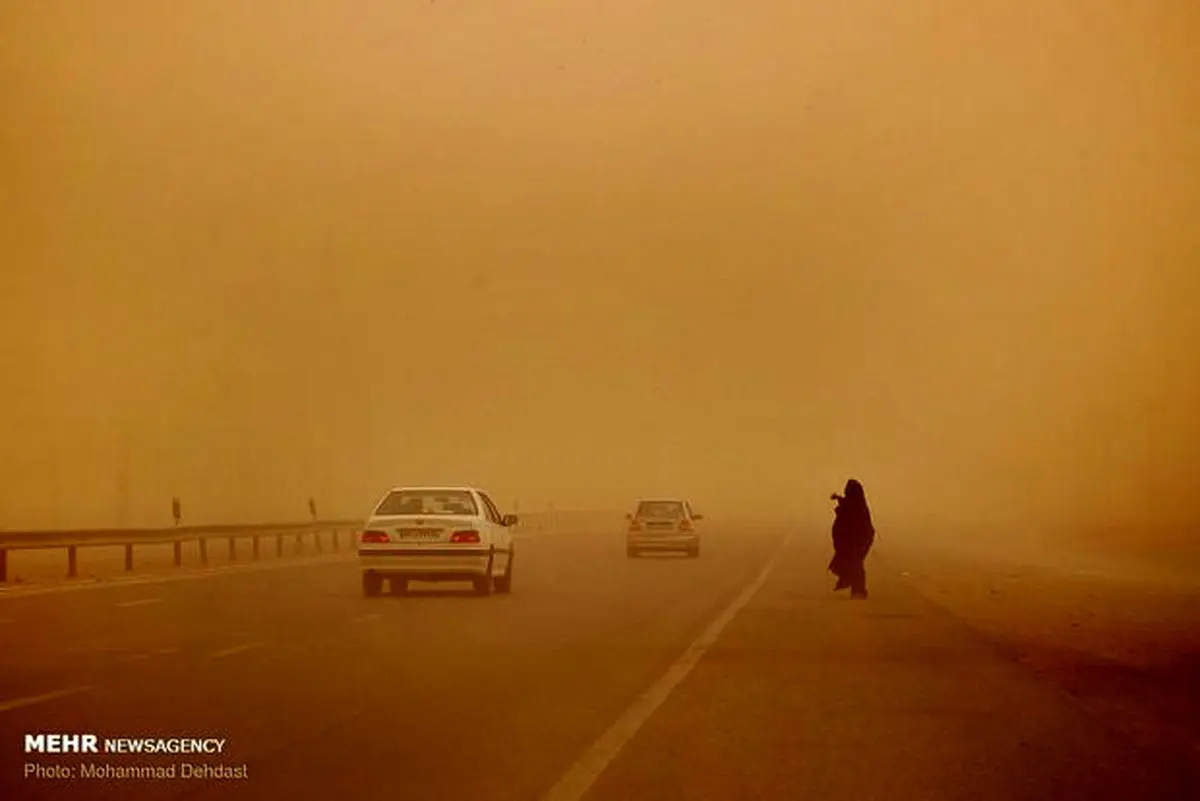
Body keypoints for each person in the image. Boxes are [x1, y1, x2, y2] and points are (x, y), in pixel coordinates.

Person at [828, 479, 875, 599]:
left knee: (855, 563)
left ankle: (858, 590)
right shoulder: (857, 503)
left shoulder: (856, 506)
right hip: (854, 540)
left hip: (857, 539)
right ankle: (857, 589)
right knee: (854, 563)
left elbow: (852, 514)